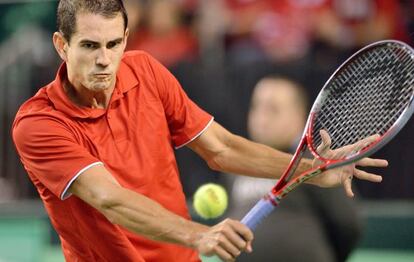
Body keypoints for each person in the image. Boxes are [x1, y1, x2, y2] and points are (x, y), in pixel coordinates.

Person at [11, 1, 387, 261]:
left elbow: (220, 148)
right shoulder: (38, 124)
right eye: (90, 46)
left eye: (113, 44)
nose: (104, 60)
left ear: (126, 38)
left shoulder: (146, 71)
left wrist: (311, 170)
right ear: (61, 45)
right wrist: (198, 233)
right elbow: (110, 198)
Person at [229, 76, 363, 261]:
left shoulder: (315, 166)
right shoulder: (237, 165)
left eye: (272, 109)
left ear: (299, 116)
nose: (261, 118)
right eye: (256, 107)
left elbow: (347, 225)